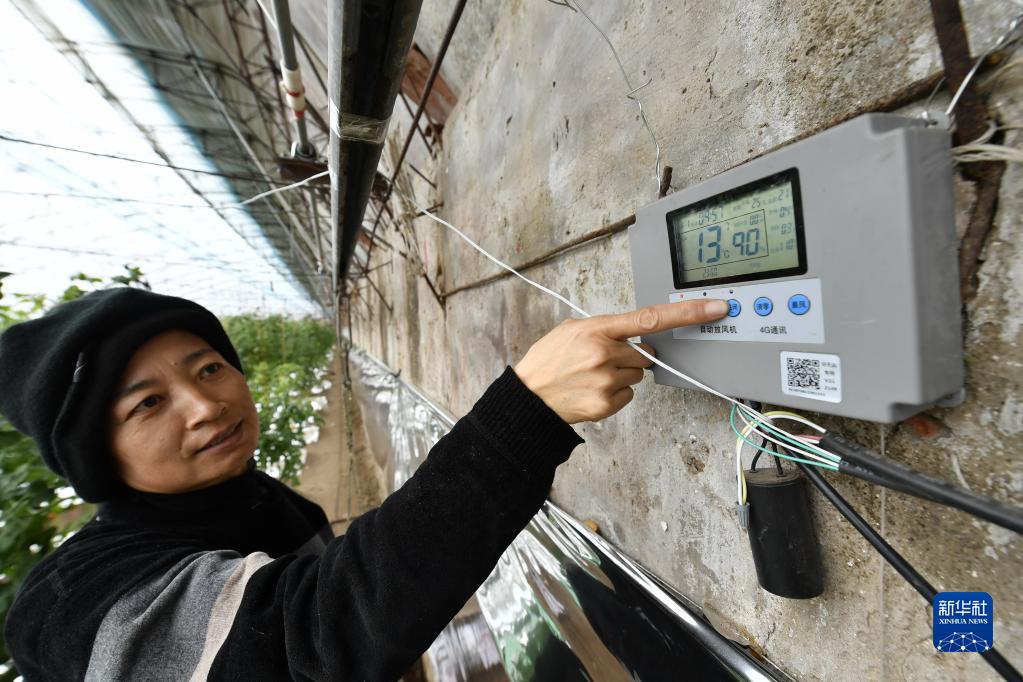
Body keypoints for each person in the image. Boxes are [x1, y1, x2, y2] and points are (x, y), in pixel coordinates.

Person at [0, 287, 727, 680]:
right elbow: (311, 638)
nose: (205, 406)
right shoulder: (71, 604)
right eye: (148, 404)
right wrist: (525, 412)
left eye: (209, 368)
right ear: (96, 457)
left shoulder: (262, 502)